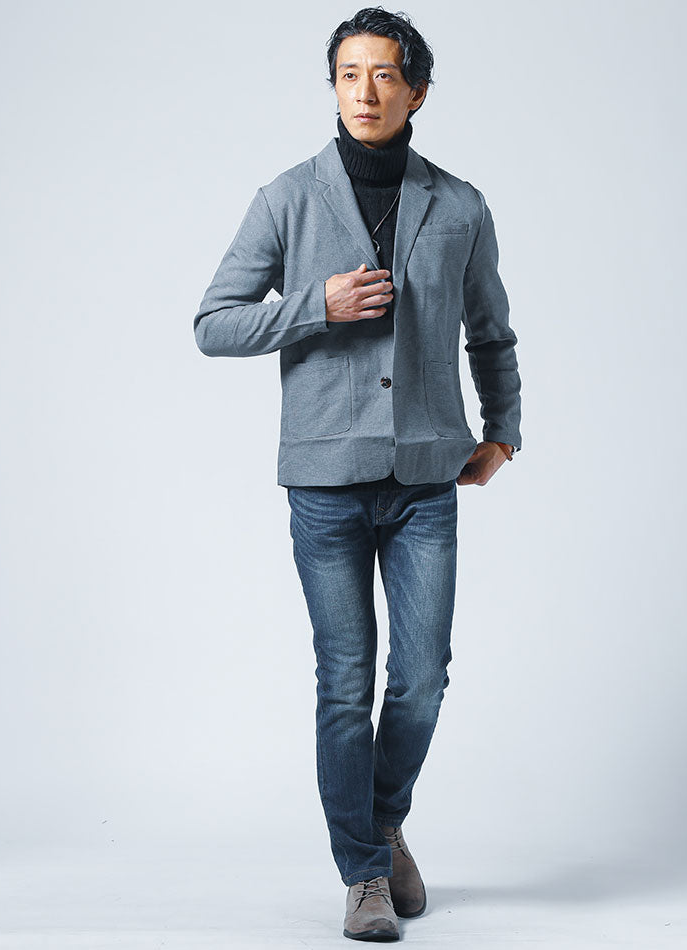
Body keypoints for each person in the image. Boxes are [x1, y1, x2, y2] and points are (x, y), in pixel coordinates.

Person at [193, 7, 522, 942]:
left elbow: (491, 330)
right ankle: (366, 875)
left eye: (384, 75)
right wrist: (316, 305)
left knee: (421, 677)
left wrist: (504, 431)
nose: (365, 92)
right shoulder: (286, 198)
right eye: (348, 75)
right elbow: (213, 323)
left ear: (418, 91)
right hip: (325, 483)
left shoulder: (459, 205)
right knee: (345, 682)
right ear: (332, 87)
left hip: (425, 480)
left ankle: (380, 823)